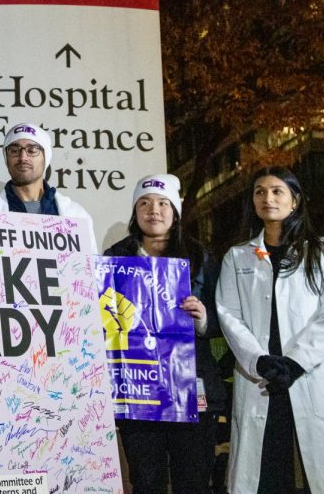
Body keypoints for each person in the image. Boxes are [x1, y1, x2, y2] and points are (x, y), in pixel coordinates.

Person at [216, 166, 324, 494]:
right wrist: (259, 361)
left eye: (277, 191)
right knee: (266, 471)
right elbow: (229, 316)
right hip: (263, 378)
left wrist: (296, 362)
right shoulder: (237, 256)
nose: (267, 198)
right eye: (259, 191)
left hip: (310, 374)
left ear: (295, 200)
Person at [105, 174, 224, 494]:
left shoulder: (201, 257)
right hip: (138, 391)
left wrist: (202, 318)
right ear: (134, 212)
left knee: (194, 481)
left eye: (162, 203)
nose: (153, 210)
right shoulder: (114, 258)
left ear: (175, 211)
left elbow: (225, 320)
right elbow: (100, 319)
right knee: (146, 480)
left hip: (193, 389)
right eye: (144, 203)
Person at [0, 122, 95, 249]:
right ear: (6, 158)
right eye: (14, 150)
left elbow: (89, 267)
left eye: (32, 150)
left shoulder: (77, 215)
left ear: (45, 157)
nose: (23, 157)